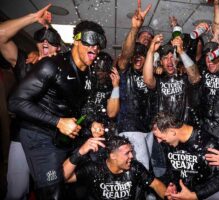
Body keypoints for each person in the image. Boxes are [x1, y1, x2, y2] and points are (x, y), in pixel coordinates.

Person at [8, 20, 106, 199]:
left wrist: (92, 123)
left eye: (98, 44)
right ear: (76, 40)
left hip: (62, 138)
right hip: (40, 135)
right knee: (52, 193)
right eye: (89, 41)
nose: (94, 48)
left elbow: (81, 108)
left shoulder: (89, 76)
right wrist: (58, 122)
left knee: (68, 188)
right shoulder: (52, 65)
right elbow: (15, 102)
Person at [0, 5, 63, 199]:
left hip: (49, 140)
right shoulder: (24, 64)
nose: (45, 41)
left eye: (51, 40)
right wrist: (33, 18)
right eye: (41, 38)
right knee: (16, 192)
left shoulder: (63, 71)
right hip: (22, 136)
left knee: (50, 191)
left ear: (58, 48)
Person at [152, 112, 219, 200]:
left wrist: (195, 195)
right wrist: (171, 185)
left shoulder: (207, 143)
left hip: (208, 193)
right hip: (184, 193)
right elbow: (172, 171)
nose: (159, 141)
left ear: (172, 132)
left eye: (160, 137)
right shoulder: (169, 143)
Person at [63, 135, 167, 200]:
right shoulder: (94, 168)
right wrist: (80, 152)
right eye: (127, 153)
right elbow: (64, 177)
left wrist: (169, 196)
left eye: (131, 151)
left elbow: (156, 184)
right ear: (113, 156)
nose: (132, 156)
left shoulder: (135, 167)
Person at [143, 34, 201, 123]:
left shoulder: (185, 78)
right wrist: (151, 50)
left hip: (183, 130)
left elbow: (196, 77)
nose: (169, 61)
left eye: (172, 57)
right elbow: (147, 80)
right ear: (161, 62)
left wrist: (181, 51)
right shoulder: (159, 80)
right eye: (165, 58)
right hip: (164, 129)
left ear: (177, 60)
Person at [117, 42, 155, 170]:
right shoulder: (125, 71)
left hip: (147, 128)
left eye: (142, 55)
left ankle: (139, 190)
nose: (138, 58)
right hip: (130, 126)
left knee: (144, 166)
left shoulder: (149, 75)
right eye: (135, 55)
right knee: (141, 167)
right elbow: (124, 57)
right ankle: (137, 190)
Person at [117, 0, 152, 72]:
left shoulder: (151, 62)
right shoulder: (128, 68)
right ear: (138, 38)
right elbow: (125, 56)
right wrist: (135, 28)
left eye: (149, 37)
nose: (147, 38)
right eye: (144, 36)